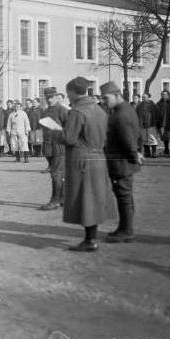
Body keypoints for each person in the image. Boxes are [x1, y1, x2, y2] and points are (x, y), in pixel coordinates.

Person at [51, 77, 116, 252]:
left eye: (68, 93)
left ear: (73, 92)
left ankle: (89, 240)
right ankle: (91, 238)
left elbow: (69, 138)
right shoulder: (99, 110)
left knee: (85, 199)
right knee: (93, 198)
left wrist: (54, 131)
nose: (67, 97)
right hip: (98, 158)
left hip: (82, 159)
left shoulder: (77, 112)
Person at [101, 81, 141, 243]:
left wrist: (134, 156)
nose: (104, 101)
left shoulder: (122, 114)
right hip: (121, 162)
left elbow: (128, 140)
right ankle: (123, 227)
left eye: (106, 98)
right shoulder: (123, 110)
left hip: (121, 163)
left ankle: (127, 230)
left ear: (117, 95)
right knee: (123, 195)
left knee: (124, 196)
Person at [39, 87, 68, 211]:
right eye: (47, 98)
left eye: (52, 97)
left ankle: (55, 201)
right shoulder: (45, 112)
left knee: (56, 174)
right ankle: (62, 199)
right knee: (57, 173)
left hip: (59, 147)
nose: (49, 100)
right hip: (48, 147)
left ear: (56, 97)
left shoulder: (62, 110)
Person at [135, 93, 159, 158]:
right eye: (143, 97)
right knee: (144, 138)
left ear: (148, 97)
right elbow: (136, 114)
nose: (143, 98)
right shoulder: (139, 105)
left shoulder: (153, 105)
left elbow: (157, 114)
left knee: (152, 138)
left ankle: (154, 153)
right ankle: (147, 153)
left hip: (151, 124)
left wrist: (156, 122)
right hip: (142, 125)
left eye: (145, 97)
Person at [155, 90, 170, 157]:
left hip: (169, 123)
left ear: (168, 95)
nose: (163, 95)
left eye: (165, 94)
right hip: (161, 123)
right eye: (162, 94)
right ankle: (166, 150)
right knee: (164, 137)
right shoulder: (159, 103)